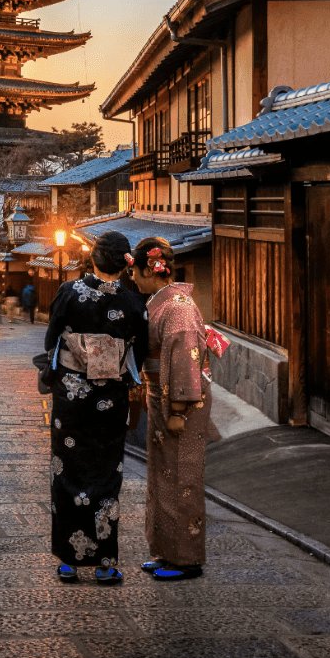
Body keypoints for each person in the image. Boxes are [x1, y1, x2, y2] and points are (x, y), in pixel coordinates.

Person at [37, 230, 145, 585]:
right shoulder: (133, 304)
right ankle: (104, 563)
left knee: (66, 472)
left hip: (70, 399)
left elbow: (52, 339)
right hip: (109, 400)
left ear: (93, 259)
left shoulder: (69, 292)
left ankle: (68, 561)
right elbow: (137, 355)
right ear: (125, 264)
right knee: (104, 475)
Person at [128, 236, 210, 581]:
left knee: (183, 476)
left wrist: (178, 410)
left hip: (180, 403)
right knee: (163, 473)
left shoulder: (177, 307)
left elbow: (184, 359)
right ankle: (166, 550)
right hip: (161, 395)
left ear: (152, 268)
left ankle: (187, 558)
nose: (132, 277)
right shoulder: (162, 302)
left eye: (135, 271)